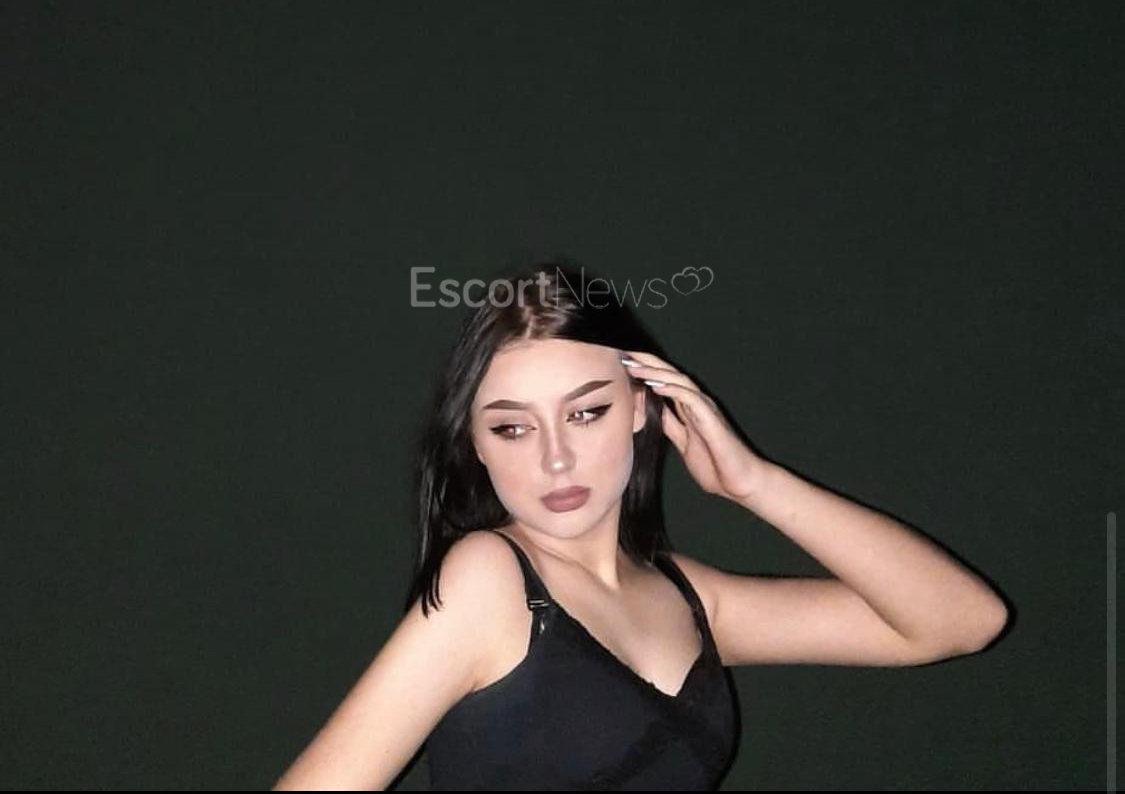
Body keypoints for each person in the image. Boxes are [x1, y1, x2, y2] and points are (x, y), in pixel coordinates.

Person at [271, 259, 1009, 791]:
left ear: (642, 407)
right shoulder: (488, 581)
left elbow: (959, 622)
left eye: (586, 412)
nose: (555, 458)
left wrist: (754, 484)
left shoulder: (689, 596)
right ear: (476, 446)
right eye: (512, 427)